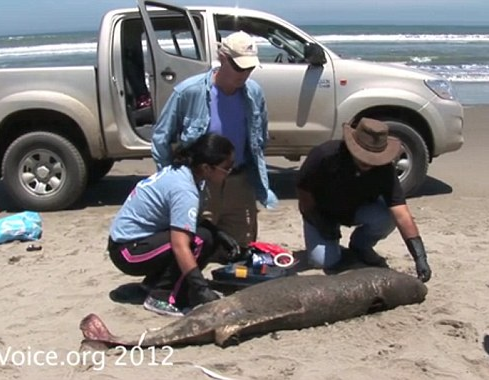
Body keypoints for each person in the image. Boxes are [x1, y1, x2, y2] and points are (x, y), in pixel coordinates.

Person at [151, 31, 277, 260]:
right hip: (201, 184)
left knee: (240, 251)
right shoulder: (189, 91)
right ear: (222, 57)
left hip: (239, 181)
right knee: (196, 248)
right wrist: (171, 180)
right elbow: (161, 137)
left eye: (249, 68)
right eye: (239, 67)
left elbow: (260, 136)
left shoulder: (254, 92)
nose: (244, 74)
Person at [108, 133, 240, 317]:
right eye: (226, 167)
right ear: (206, 167)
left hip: (141, 241)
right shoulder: (184, 189)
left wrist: (217, 233)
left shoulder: (187, 174)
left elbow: (183, 219)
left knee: (206, 235)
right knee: (200, 241)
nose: (230, 171)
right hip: (128, 251)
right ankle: (161, 297)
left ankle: (153, 284)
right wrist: (201, 288)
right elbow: (180, 246)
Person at [296, 118, 432, 282]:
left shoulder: (385, 169)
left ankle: (360, 246)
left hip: (357, 210)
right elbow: (304, 193)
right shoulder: (325, 155)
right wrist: (318, 221)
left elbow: (401, 213)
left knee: (388, 217)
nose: (368, 162)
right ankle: (335, 248)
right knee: (322, 261)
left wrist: (420, 256)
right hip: (321, 212)